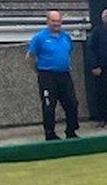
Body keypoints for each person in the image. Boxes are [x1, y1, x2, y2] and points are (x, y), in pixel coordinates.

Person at [27, 10, 80, 140]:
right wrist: (39, 71)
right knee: (49, 105)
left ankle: (71, 131)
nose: (56, 24)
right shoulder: (39, 38)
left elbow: (68, 53)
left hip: (64, 75)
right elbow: (30, 57)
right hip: (47, 75)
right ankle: (50, 133)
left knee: (72, 103)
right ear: (48, 21)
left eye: (58, 21)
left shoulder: (66, 37)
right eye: (53, 21)